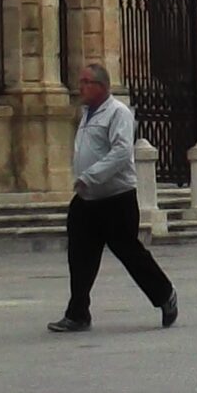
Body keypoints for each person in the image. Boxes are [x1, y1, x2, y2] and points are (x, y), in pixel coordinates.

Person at [49, 61, 178, 333]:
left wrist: (90, 175)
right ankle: (78, 313)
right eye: (80, 81)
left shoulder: (118, 113)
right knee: (80, 255)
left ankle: (165, 294)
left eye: (86, 82)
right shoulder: (87, 113)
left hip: (115, 198)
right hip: (87, 199)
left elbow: (121, 152)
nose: (80, 87)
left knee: (130, 253)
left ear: (102, 87)